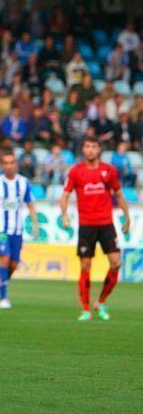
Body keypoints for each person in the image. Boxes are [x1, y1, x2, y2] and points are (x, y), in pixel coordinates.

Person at [60, 136, 131, 321]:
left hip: (106, 224)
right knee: (85, 266)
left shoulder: (109, 171)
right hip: (86, 225)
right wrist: (64, 215)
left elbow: (119, 194)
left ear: (98, 149)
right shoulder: (76, 171)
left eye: (94, 146)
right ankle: (85, 309)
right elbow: (65, 196)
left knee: (116, 263)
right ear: (83, 149)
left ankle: (101, 301)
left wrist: (127, 217)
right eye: (87, 146)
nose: (90, 150)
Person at [0, 150, 39, 309]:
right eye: (6, 163)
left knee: (13, 265)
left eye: (12, 163)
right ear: (2, 165)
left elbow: (31, 205)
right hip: (1, 230)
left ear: (16, 164)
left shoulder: (24, 183)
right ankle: (4, 298)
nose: (9, 166)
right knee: (4, 259)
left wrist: (35, 225)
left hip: (17, 231)